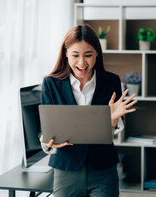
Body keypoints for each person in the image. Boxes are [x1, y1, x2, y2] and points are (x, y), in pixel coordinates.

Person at [40, 24, 137, 197]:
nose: (82, 62)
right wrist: (46, 140)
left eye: (88, 55)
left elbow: (112, 131)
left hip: (103, 170)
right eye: (75, 55)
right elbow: (46, 127)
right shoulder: (50, 84)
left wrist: (112, 119)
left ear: (97, 53)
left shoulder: (111, 81)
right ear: (65, 53)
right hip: (66, 170)